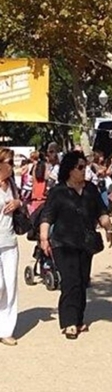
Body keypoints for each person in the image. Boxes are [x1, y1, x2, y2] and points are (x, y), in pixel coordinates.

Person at [39, 151, 112, 339]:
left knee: (82, 281)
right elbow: (47, 215)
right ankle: (69, 322)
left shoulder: (91, 189)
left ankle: (78, 319)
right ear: (70, 170)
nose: (84, 170)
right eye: (80, 167)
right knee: (70, 281)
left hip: (85, 242)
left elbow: (101, 211)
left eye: (85, 166)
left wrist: (108, 228)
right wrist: (43, 238)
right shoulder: (58, 191)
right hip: (62, 243)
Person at [0, 148, 22, 346]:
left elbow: (18, 203)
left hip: (9, 240)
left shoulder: (13, 185)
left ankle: (6, 329)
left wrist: (17, 202)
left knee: (10, 285)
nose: (12, 164)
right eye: (9, 161)